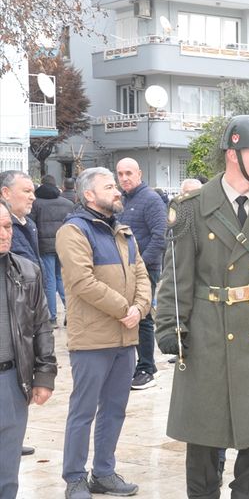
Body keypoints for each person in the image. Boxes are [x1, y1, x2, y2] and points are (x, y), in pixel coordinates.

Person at [155, 115, 249, 497]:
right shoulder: (190, 208)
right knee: (203, 437)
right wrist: (170, 325)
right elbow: (177, 276)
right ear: (233, 153)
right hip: (207, 333)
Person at [58, 167, 151, 498]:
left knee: (114, 409)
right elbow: (82, 282)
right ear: (88, 195)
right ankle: (74, 478)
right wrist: (124, 309)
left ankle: (104, 473)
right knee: (83, 411)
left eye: (116, 185)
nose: (117, 190)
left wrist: (140, 308)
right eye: (109, 186)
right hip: (92, 340)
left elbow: (142, 275)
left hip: (125, 339)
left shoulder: (124, 232)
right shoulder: (73, 231)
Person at [0, 204, 57, 498]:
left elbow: (41, 327)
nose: (4, 234)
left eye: (8, 226)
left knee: (7, 476)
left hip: (10, 382)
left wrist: (45, 374)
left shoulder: (27, 271)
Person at [116, 158, 167, 391]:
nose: (124, 178)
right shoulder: (121, 201)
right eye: (120, 174)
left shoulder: (151, 200)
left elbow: (159, 236)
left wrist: (140, 267)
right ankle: (131, 366)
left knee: (144, 317)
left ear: (139, 173)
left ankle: (147, 367)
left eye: (129, 173)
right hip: (123, 271)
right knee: (127, 316)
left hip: (146, 269)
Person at [30, 175, 75, 326]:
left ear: (42, 184)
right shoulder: (67, 203)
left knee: (49, 281)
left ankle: (52, 317)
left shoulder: (36, 204)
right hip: (63, 244)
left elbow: (31, 225)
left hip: (44, 246)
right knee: (60, 278)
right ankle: (71, 312)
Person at [0, 171, 39, 266]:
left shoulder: (29, 223)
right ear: (6, 193)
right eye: (27, 191)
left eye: (33, 192)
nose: (33, 197)